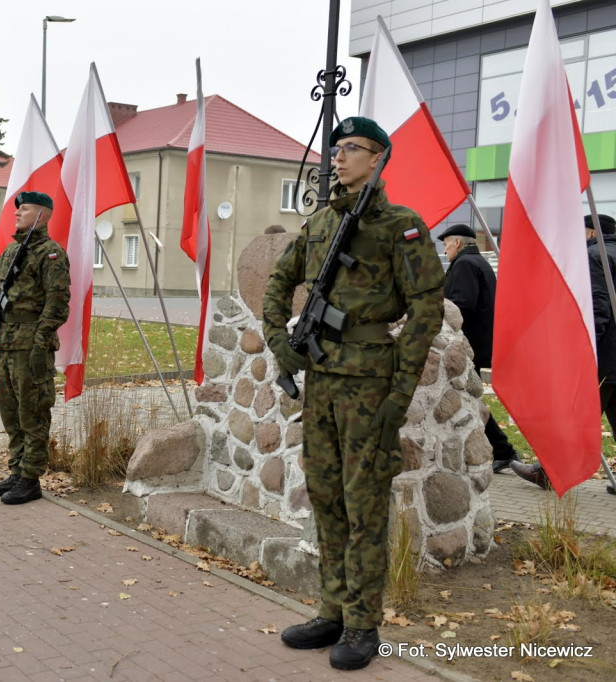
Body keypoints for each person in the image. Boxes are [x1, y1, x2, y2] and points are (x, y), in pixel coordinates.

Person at [263, 117, 444, 670]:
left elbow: (426, 310)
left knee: (364, 504)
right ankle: (333, 610)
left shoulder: (399, 226)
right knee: (327, 498)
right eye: (335, 148)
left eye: (351, 149)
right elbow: (278, 280)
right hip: (321, 384)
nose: (337, 157)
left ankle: (364, 625)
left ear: (379, 158)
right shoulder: (320, 223)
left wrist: (397, 394)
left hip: (369, 382)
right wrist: (279, 340)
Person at [0, 192, 71, 505]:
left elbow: (57, 304)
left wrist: (40, 342)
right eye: (18, 208)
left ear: (42, 216)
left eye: (25, 209)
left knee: (33, 414)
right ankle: (16, 471)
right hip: (5, 342)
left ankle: (31, 479)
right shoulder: (10, 252)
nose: (17, 213)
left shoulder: (51, 254)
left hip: (31, 345)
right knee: (11, 413)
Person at [511, 214, 616, 490]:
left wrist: (584, 352)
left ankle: (548, 472)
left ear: (592, 234)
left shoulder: (595, 257)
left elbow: (598, 310)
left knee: (573, 415)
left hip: (603, 355)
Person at [438, 224, 521, 473]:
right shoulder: (477, 261)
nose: (445, 250)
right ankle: (499, 449)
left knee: (466, 399)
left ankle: (503, 450)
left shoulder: (465, 264)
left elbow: (462, 304)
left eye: (446, 244)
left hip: (467, 343)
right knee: (466, 398)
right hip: (478, 342)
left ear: (458, 243)